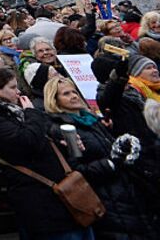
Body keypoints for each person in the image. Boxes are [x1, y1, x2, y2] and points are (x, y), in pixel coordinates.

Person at [0, 66, 93, 240]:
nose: (17, 92)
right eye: (12, 87)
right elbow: (26, 140)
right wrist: (31, 112)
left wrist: (59, 139)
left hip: (53, 193)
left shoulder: (10, 111)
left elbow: (41, 134)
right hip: (38, 198)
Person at [41, 77, 150, 238]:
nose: (73, 96)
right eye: (65, 94)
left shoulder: (93, 120)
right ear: (54, 100)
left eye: (74, 91)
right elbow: (76, 170)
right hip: (103, 198)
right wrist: (109, 164)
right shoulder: (64, 129)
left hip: (124, 191)